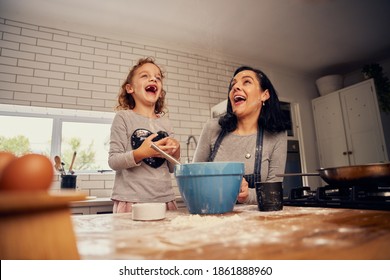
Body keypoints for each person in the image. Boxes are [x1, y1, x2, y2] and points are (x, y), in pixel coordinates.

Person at [193, 66, 287, 204]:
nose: (235, 87)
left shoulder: (277, 135)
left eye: (246, 82)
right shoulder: (212, 128)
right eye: (233, 84)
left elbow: (274, 194)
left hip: (258, 222)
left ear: (264, 95)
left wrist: (249, 194)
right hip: (215, 217)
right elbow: (195, 178)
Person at [108, 57, 180, 213]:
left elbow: (173, 167)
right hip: (131, 202)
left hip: (165, 201)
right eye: (145, 76)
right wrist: (142, 153)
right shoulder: (123, 118)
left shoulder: (166, 124)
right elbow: (113, 161)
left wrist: (177, 150)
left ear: (160, 93)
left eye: (158, 77)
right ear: (130, 88)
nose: (153, 78)